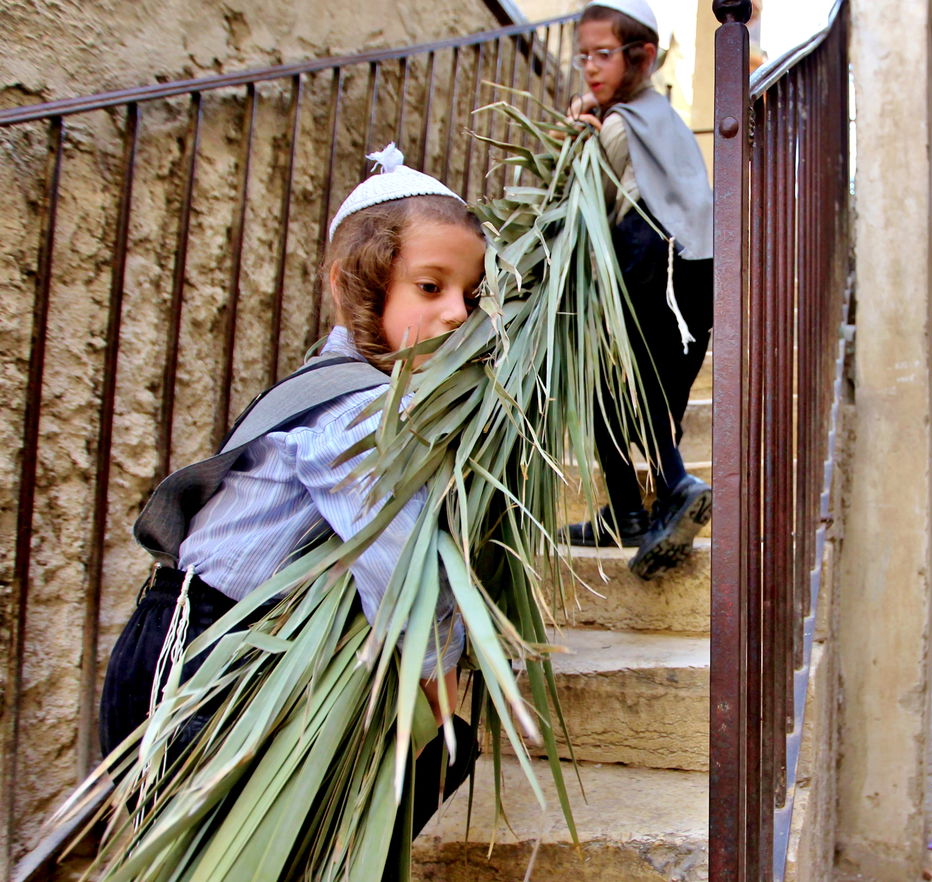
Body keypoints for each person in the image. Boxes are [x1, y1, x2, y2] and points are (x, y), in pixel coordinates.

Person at [98, 145, 483, 836]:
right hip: (197, 664)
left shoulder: (348, 391)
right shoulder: (356, 410)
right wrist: (441, 688)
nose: (458, 312)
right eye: (431, 287)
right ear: (355, 287)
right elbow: (397, 561)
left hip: (202, 651)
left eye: (468, 292)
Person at [562, 0, 715, 581]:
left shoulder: (623, 125)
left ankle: (668, 487)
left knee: (607, 377)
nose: (591, 69)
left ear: (642, 56)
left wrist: (580, 140)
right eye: (584, 58)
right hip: (693, 264)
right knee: (640, 384)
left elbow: (588, 201)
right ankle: (635, 508)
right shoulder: (661, 116)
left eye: (603, 55)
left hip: (649, 252)